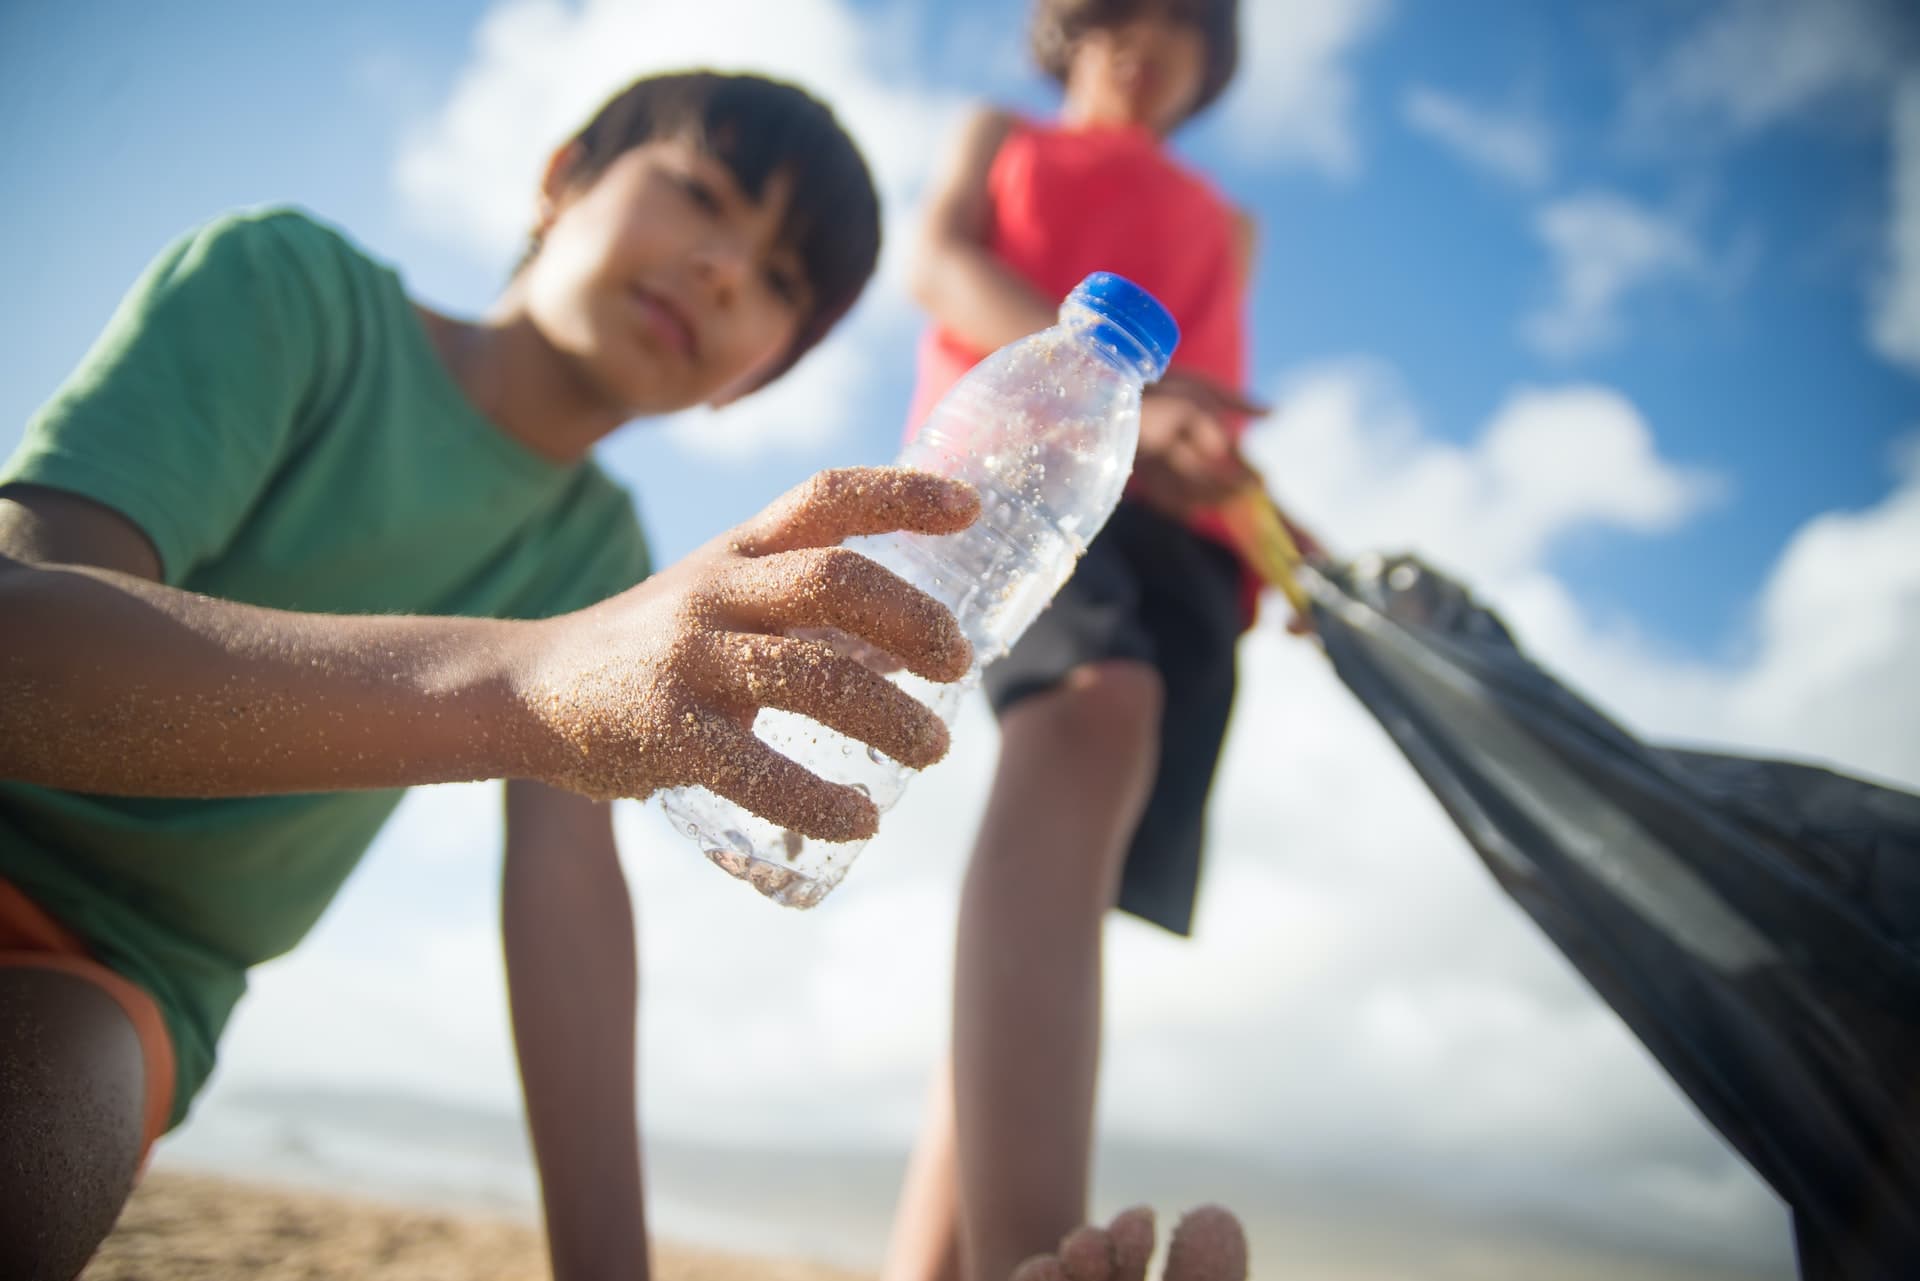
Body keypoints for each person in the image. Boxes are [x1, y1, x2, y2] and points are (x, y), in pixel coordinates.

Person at [0, 71, 983, 1281]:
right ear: (563, 176)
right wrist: (528, 684)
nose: (725, 267)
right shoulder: (291, 292)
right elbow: (18, 648)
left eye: (780, 279)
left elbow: (565, 899)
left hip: (121, 979)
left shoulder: (599, 561)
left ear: (758, 374)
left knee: (47, 1118)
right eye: (700, 194)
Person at [882, 4, 1266, 1279]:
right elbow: (939, 264)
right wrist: (1126, 401)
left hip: (1186, 541)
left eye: (1182, 24)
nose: (1145, 42)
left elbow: (1217, 395)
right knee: (1098, 710)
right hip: (1034, 478)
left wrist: (1265, 525)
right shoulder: (1002, 137)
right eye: (1120, 12)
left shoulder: (1231, 219)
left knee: (1064, 896)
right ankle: (1029, 1262)